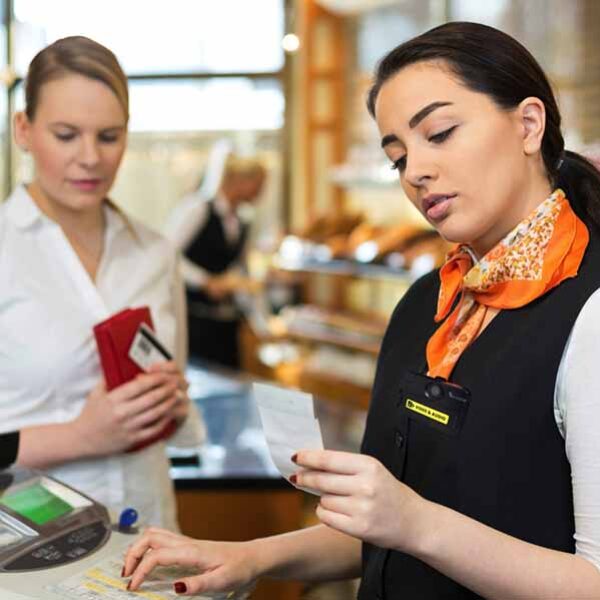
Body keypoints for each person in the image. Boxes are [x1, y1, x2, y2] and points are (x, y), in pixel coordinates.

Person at [123, 21, 600, 598]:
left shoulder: (589, 311)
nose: (416, 172)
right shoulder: (427, 303)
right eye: (398, 158)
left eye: (440, 133)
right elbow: (383, 527)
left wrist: (414, 522)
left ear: (528, 124)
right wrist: (245, 556)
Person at [0, 36, 204, 531]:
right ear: (23, 130)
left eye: (109, 137)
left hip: (151, 535)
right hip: (30, 546)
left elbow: (169, 390)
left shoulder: (154, 252)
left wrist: (169, 405)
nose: (90, 157)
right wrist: (81, 436)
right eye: (67, 135)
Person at [164, 153, 266, 369]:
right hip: (194, 322)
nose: (261, 192)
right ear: (239, 181)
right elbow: (167, 255)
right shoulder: (198, 208)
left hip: (227, 323)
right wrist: (205, 281)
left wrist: (260, 323)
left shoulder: (243, 221)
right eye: (259, 184)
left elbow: (241, 270)